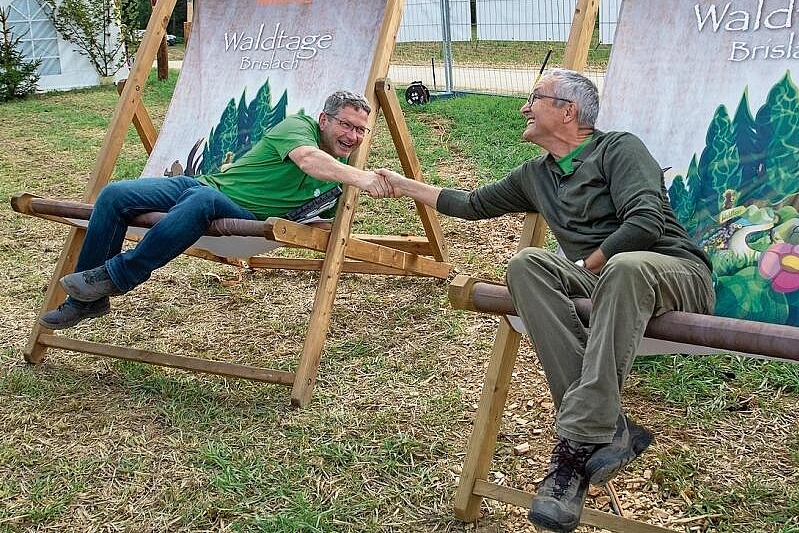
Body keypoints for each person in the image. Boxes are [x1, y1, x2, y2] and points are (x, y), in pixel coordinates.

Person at [377, 69, 714, 532]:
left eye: (535, 97)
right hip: (610, 280)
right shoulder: (537, 175)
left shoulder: (618, 148)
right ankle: (608, 426)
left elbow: (644, 225)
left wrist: (584, 267)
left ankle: (573, 451)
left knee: (625, 264)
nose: (523, 107)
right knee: (525, 266)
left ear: (568, 111)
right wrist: (402, 183)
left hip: (673, 274)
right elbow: (470, 203)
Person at [41, 90, 392, 330]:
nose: (353, 136)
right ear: (323, 119)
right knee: (115, 195)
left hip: (240, 212)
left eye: (361, 130)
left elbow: (321, 220)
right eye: (345, 125)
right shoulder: (299, 127)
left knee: (201, 202)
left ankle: (118, 275)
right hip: (203, 184)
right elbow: (308, 159)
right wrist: (360, 177)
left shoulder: (341, 177)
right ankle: (87, 301)